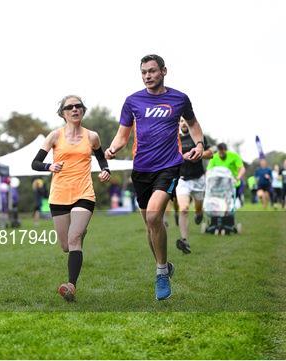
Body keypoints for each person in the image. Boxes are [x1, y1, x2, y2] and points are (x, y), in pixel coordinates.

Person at [105, 54, 205, 300]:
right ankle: (165, 265)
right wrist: (112, 149)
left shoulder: (179, 99)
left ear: (163, 71)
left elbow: (193, 124)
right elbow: (122, 135)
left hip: (169, 166)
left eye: (152, 71)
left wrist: (200, 143)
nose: (147, 76)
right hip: (141, 169)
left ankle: (161, 273)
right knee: (151, 226)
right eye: (143, 72)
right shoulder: (132, 101)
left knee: (153, 216)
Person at [31, 94, 111, 302]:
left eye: (78, 106)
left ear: (83, 110)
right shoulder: (55, 136)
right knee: (66, 246)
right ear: (63, 113)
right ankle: (79, 231)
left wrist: (105, 170)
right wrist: (49, 166)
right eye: (70, 107)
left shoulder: (92, 136)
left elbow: (101, 157)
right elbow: (35, 163)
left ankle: (71, 286)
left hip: (84, 193)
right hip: (59, 195)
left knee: (74, 239)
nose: (75, 109)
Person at [174, 118, 213, 254]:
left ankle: (199, 213)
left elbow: (210, 153)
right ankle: (184, 241)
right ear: (178, 123)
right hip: (182, 179)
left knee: (198, 207)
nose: (183, 123)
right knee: (183, 209)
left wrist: (199, 153)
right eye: (180, 121)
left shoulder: (198, 136)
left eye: (185, 121)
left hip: (198, 179)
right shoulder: (175, 138)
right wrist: (181, 157)